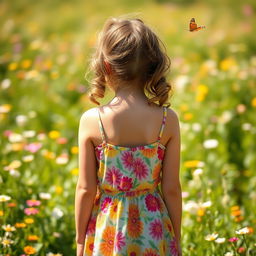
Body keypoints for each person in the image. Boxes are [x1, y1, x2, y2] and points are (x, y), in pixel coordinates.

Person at [75, 16, 182, 256]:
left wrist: (80, 240)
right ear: (152, 67)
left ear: (107, 66)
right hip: (154, 229)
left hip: (107, 231)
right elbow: (172, 188)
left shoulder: (93, 121)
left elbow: (85, 189)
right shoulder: (168, 120)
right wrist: (176, 238)